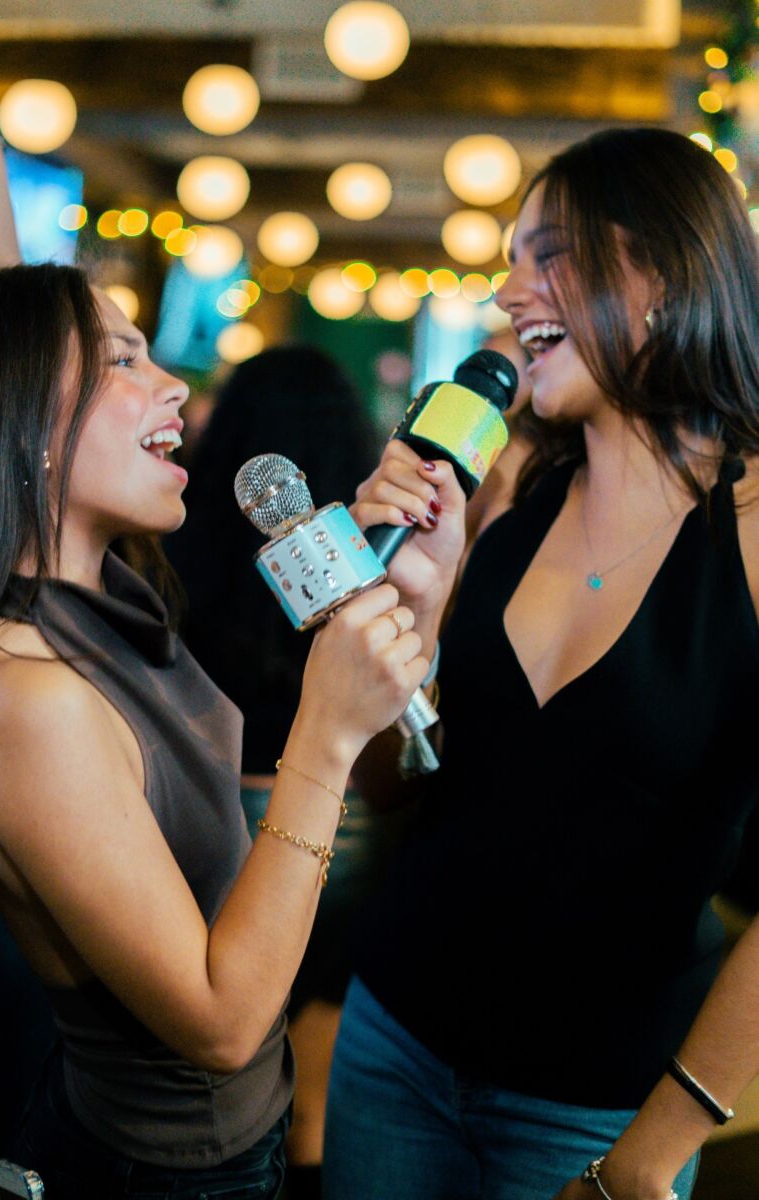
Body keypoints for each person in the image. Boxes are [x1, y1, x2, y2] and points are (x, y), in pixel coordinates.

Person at [0, 3, 461, 1197]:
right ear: (27, 426)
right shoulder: (21, 697)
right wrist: (325, 736)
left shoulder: (97, 593)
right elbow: (226, 1022)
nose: (174, 384)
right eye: (127, 357)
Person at [325, 127, 759, 1200]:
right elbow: (402, 787)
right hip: (392, 1044)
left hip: (592, 1111)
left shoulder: (751, 530)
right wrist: (411, 613)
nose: (510, 289)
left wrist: (653, 1155)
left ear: (663, 268)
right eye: (512, 257)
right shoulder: (508, 501)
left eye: (547, 251)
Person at [166, 346, 410, 1197]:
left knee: (229, 1070)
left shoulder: (182, 537)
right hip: (348, 821)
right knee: (318, 1072)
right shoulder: (363, 543)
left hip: (220, 818)